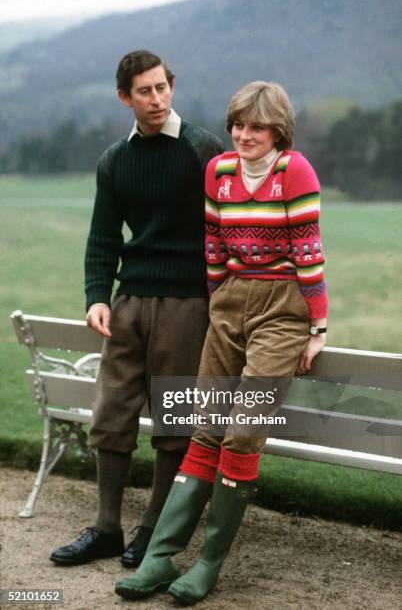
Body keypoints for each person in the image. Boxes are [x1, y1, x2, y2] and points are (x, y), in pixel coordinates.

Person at [115, 81, 329, 603]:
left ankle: (207, 564)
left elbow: (308, 248)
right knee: (206, 427)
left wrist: (318, 326)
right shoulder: (219, 172)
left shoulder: (292, 170)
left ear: (277, 130)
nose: (243, 134)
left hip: (283, 308)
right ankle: (161, 558)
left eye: (256, 127)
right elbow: (213, 241)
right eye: (237, 125)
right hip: (230, 302)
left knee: (243, 431)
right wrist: (219, 303)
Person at [49, 50, 224, 568]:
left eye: (162, 88)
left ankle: (152, 531)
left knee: (173, 417)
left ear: (172, 87)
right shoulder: (114, 161)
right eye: (144, 91)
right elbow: (102, 236)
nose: (156, 99)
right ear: (125, 97)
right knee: (112, 411)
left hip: (188, 305)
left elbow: (224, 230)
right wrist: (97, 297)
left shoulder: (202, 150)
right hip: (127, 304)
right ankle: (106, 528)